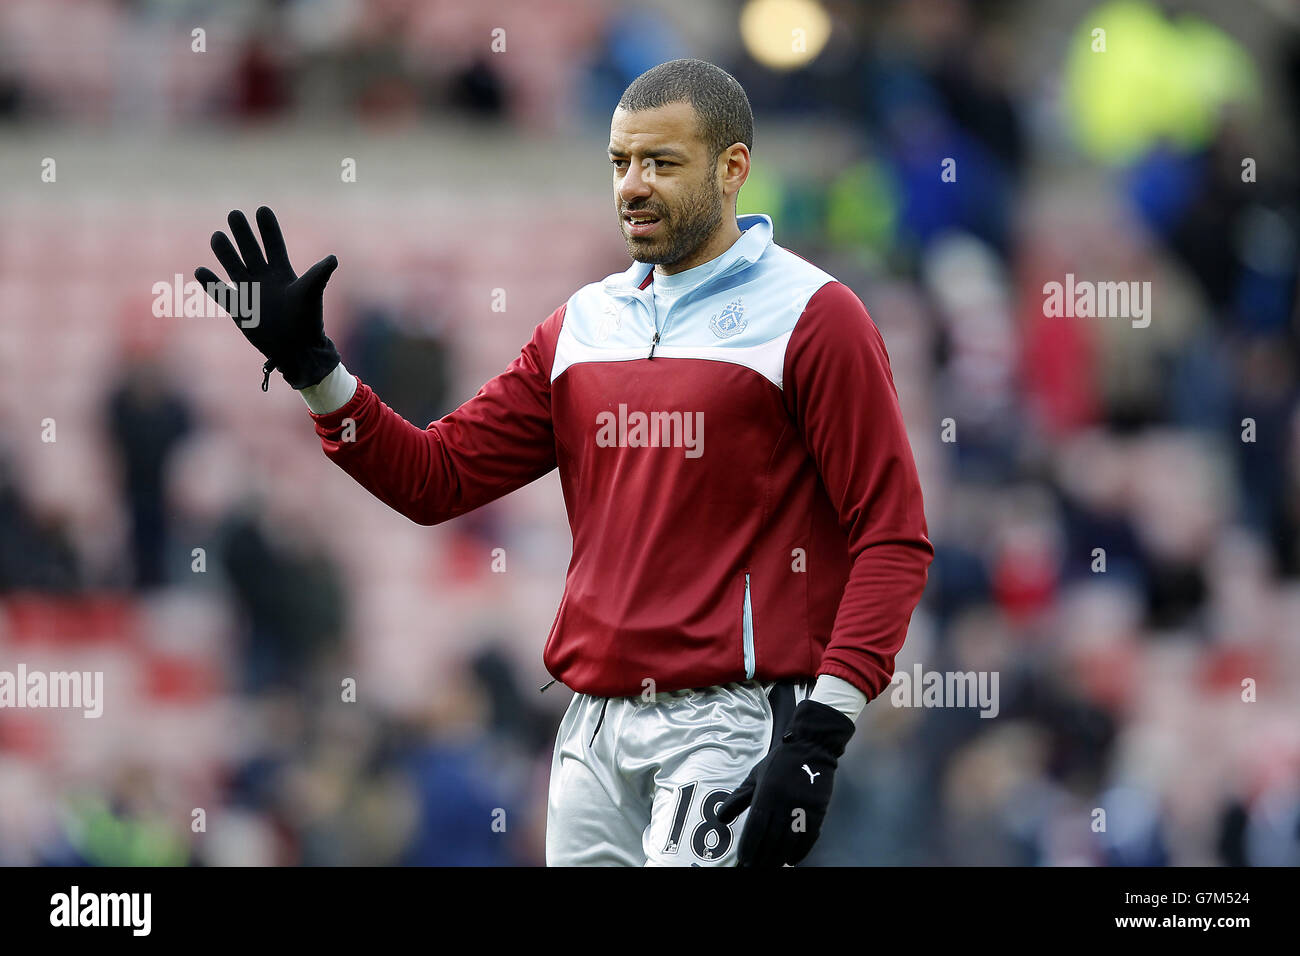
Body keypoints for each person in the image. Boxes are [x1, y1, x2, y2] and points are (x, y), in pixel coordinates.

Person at [195, 58, 933, 867]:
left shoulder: (816, 318)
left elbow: (891, 538)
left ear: (733, 169)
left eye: (661, 162)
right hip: (589, 726)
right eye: (620, 163)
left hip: (728, 721)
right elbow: (436, 480)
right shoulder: (582, 325)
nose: (633, 185)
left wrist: (822, 732)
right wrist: (314, 370)